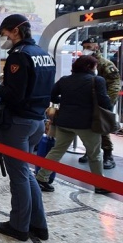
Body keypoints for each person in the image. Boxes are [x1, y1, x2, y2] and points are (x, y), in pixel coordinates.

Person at [0, 14, 55, 242]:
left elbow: (15, 96)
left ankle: (18, 226)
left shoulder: (20, 56)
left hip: (18, 122)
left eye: (3, 33)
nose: (2, 38)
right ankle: (39, 224)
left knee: (18, 177)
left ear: (15, 31)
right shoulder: (44, 55)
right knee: (27, 173)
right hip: (37, 121)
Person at [35, 55, 112, 194]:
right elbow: (104, 102)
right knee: (95, 154)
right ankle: (100, 185)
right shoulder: (97, 80)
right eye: (95, 66)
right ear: (89, 67)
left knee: (57, 151)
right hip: (87, 124)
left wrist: (65, 101)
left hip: (64, 122)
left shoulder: (65, 80)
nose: (96, 68)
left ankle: (41, 178)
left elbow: (52, 96)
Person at [77, 37, 121, 169]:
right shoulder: (83, 63)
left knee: (102, 127)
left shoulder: (105, 64)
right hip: (87, 100)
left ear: (96, 47)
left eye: (89, 47)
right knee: (87, 127)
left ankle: (108, 155)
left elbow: (115, 84)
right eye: (84, 47)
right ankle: (89, 151)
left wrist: (108, 102)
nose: (86, 50)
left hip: (102, 101)